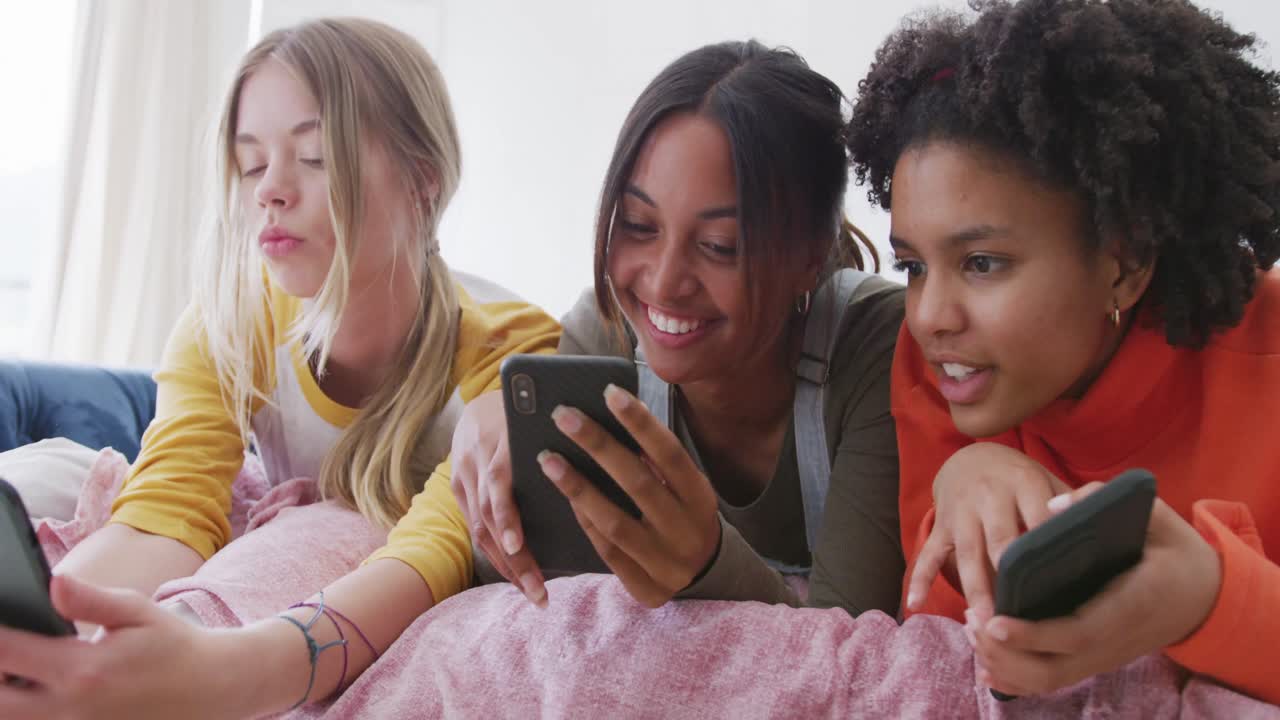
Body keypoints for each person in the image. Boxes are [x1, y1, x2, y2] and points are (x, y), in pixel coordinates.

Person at [0, 17, 559, 717]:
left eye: (315, 157)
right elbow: (169, 510)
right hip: (248, 512)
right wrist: (50, 637)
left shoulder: (516, 354)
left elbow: (433, 549)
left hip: (362, 572)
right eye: (252, 164)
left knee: (334, 526)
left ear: (423, 179)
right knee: (43, 477)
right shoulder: (229, 320)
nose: (271, 190)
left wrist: (228, 668)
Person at [845, 0, 1280, 702]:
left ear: (1124, 264)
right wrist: (960, 490)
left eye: (981, 263)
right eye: (913, 266)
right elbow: (947, 667)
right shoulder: (935, 370)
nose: (928, 317)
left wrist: (1211, 599)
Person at [451, 40, 906, 617]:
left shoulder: (878, 349)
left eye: (720, 245)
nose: (664, 284)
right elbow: (524, 572)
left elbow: (850, 638)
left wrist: (710, 564)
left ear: (810, 256)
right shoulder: (605, 337)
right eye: (638, 224)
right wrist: (488, 439)